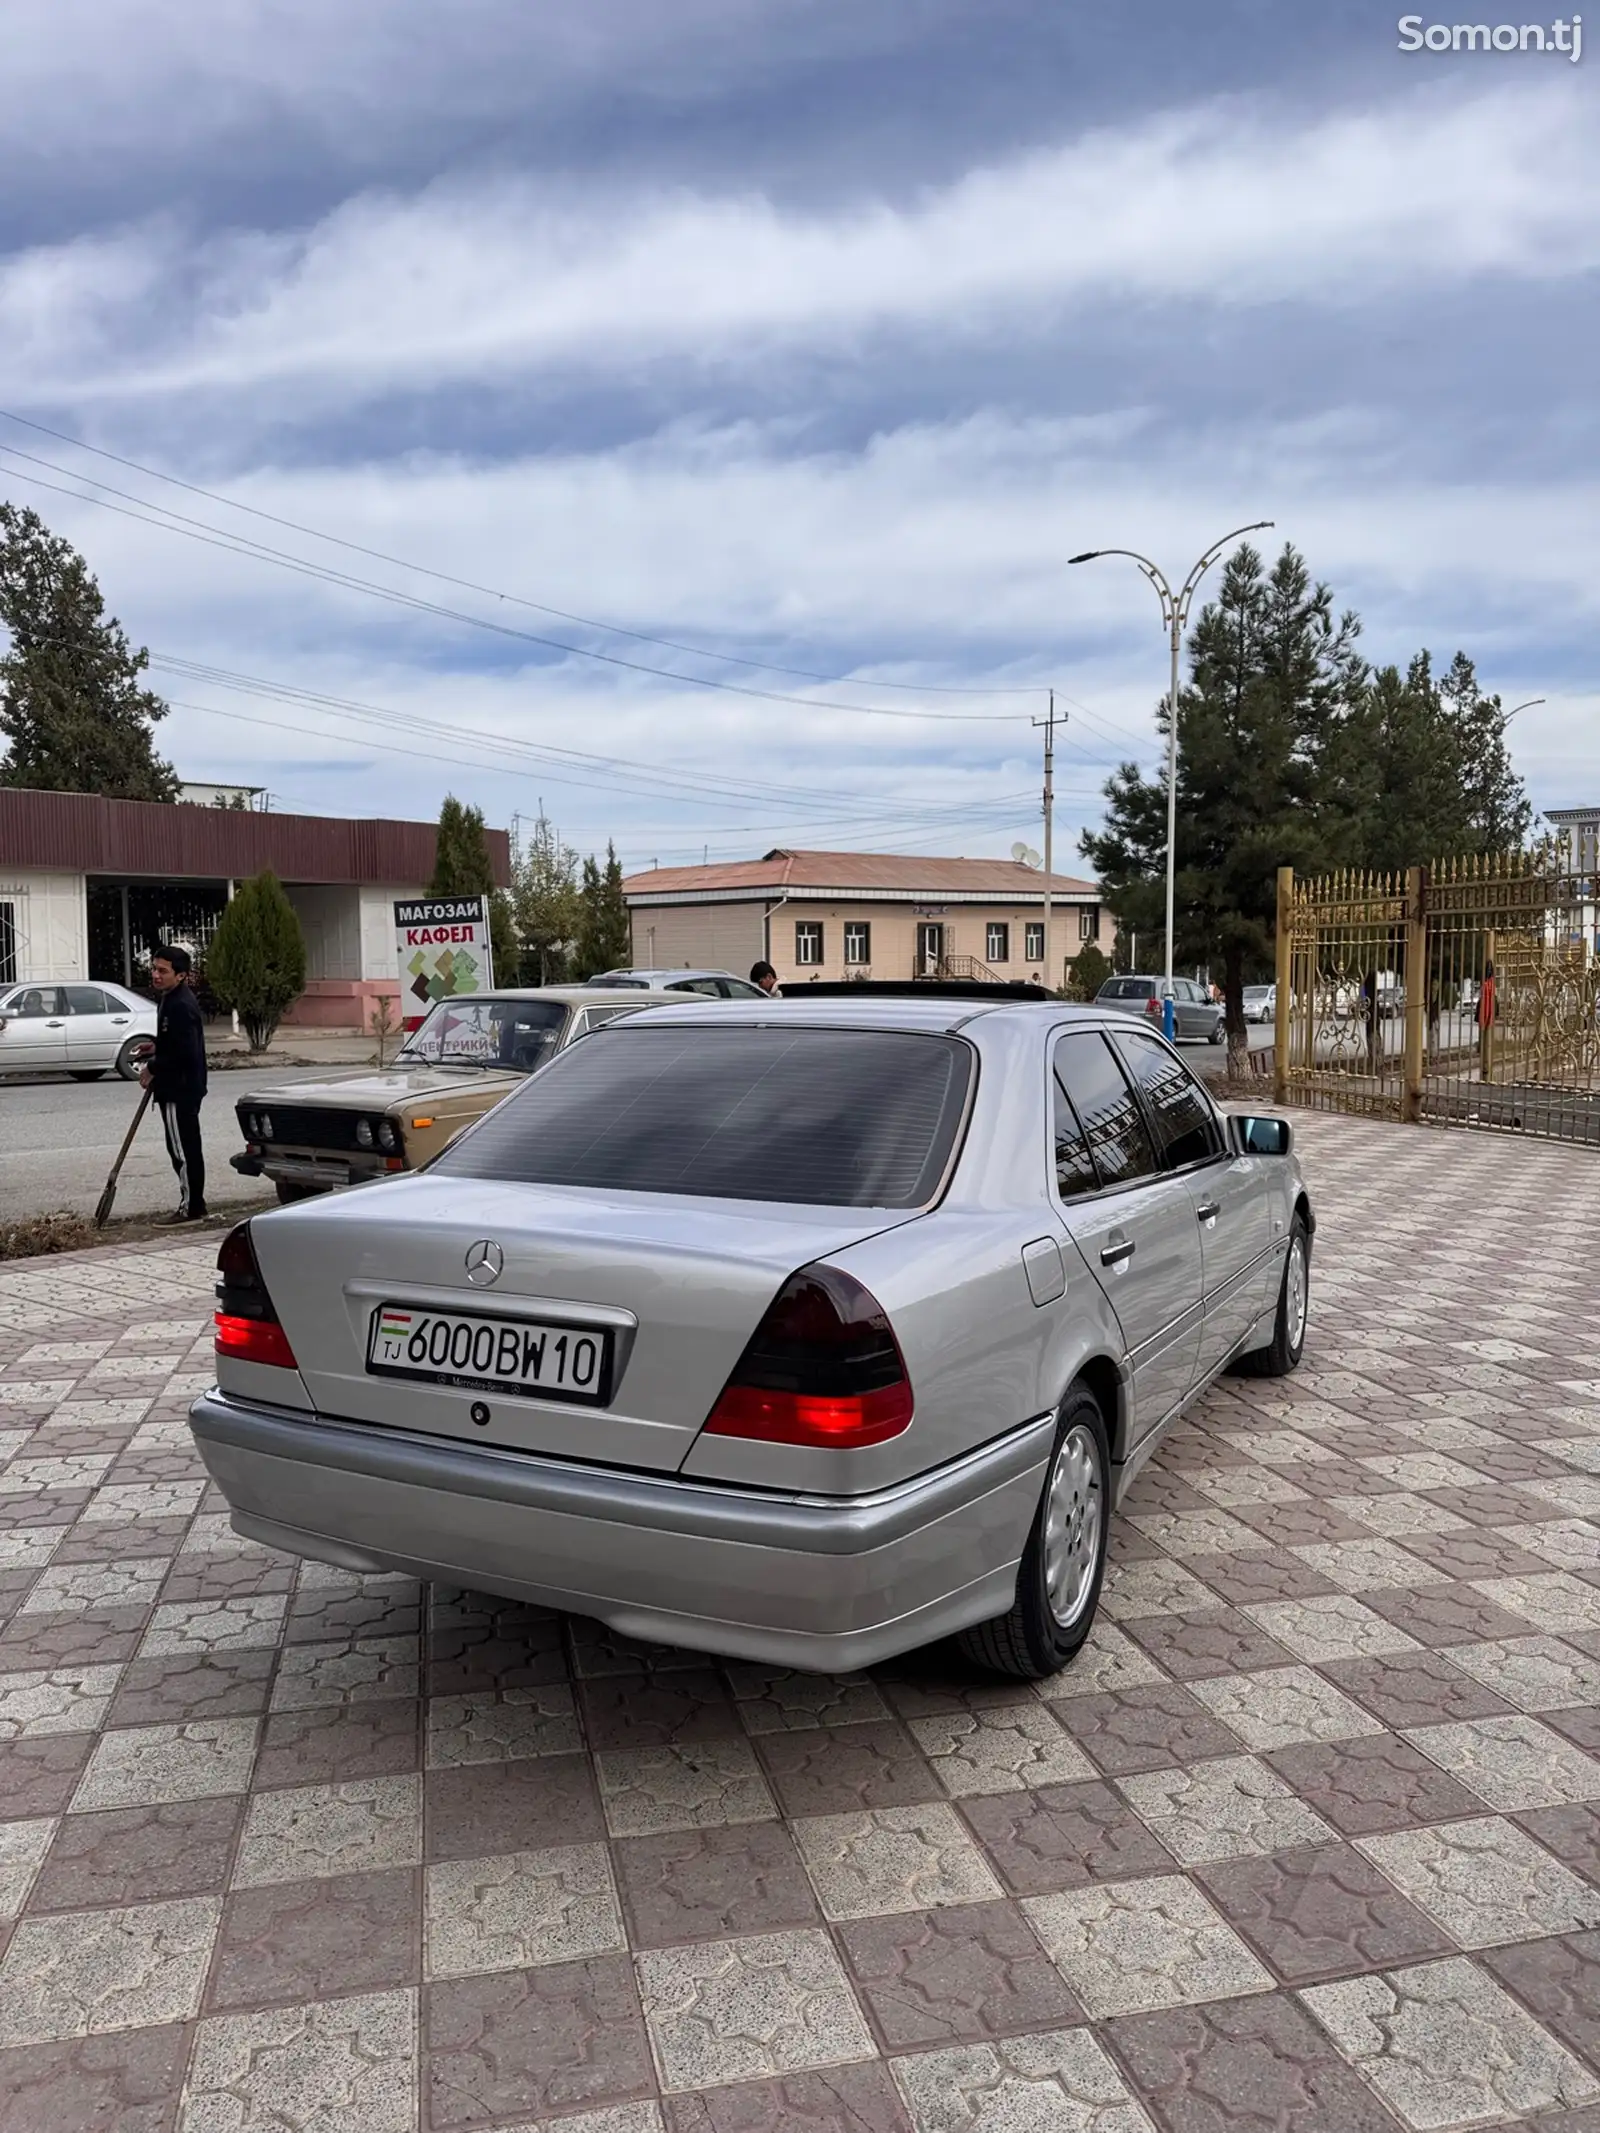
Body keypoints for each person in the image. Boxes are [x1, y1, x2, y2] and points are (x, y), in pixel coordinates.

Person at [142, 945, 208, 1222]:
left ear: (180, 975)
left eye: (163, 971)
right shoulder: (169, 999)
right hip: (177, 1086)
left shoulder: (181, 1004)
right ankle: (194, 1204)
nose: (156, 975)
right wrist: (154, 1047)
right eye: (154, 969)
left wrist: (153, 1067)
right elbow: (174, 1043)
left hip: (180, 1089)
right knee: (182, 1147)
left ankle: (191, 1208)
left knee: (182, 1150)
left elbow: (185, 1053)